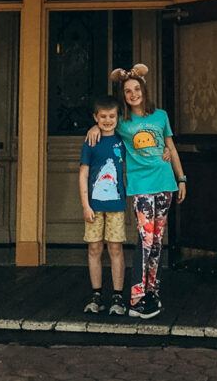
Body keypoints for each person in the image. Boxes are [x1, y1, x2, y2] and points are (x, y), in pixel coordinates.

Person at [85, 63, 186, 319]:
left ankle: (153, 291)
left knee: (157, 242)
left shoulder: (160, 116)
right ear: (124, 96)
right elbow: (105, 124)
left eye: (136, 89)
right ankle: (136, 298)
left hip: (165, 184)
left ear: (144, 90)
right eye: (128, 91)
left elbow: (171, 148)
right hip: (141, 186)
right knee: (145, 239)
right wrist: (95, 127)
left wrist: (181, 178)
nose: (133, 94)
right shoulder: (123, 122)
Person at [79, 94, 128, 316]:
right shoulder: (91, 141)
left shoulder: (122, 140)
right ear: (95, 117)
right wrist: (85, 205)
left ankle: (118, 295)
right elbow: (83, 174)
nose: (107, 120)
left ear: (118, 117)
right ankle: (96, 294)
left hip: (116, 205)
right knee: (94, 248)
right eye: (103, 117)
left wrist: (165, 151)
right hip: (94, 205)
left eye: (112, 116)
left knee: (115, 248)